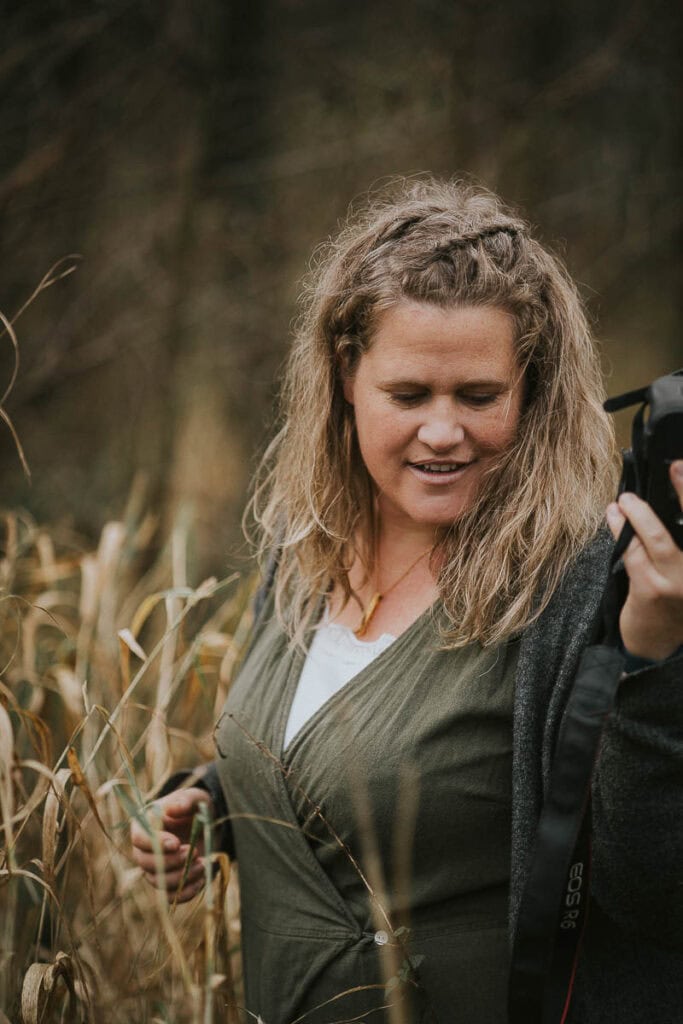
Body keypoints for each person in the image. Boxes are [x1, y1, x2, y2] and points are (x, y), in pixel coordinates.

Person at [130, 178, 683, 1023]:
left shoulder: (582, 584)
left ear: (531, 390)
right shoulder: (305, 547)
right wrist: (212, 804)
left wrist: (655, 662)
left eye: (478, 396)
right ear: (345, 376)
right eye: (408, 394)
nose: (442, 432)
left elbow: (656, 894)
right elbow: (343, 758)